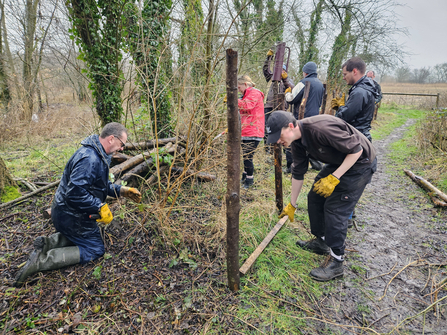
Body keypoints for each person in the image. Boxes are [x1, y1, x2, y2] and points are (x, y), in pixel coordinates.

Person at [14, 122, 142, 287]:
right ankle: (42, 261)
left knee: (89, 235)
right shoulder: (89, 159)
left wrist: (123, 190)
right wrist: (99, 206)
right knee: (96, 249)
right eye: (122, 144)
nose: (122, 149)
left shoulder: (98, 153)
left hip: (70, 212)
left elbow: (99, 185)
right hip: (69, 216)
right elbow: (74, 193)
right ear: (111, 139)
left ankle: (48, 244)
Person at [266, 111, 377, 281]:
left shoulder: (320, 128)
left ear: (290, 126)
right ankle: (322, 241)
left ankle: (337, 262)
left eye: (278, 136)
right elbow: (298, 173)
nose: (278, 142)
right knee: (315, 196)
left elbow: (356, 150)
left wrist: (335, 177)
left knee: (335, 208)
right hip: (340, 161)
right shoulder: (296, 142)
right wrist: (292, 204)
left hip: (360, 163)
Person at [285, 61, 324, 171]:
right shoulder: (320, 84)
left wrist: (287, 94)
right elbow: (319, 102)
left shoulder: (303, 82)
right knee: (310, 140)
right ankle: (316, 163)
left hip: (302, 116)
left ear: (305, 72)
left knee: (294, 140)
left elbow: (292, 99)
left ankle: (291, 166)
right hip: (315, 118)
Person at [331, 57, 378, 142]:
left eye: (345, 74)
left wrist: (340, 107)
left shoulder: (359, 92)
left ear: (354, 71)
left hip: (356, 138)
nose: (344, 78)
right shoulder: (367, 87)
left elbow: (346, 118)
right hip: (362, 136)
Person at [263, 49, 294, 158]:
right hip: (269, 106)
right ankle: (267, 150)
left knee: (282, 129)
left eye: (282, 71)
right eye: (279, 70)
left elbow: (292, 90)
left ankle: (284, 149)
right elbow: (265, 70)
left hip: (281, 108)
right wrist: (268, 58)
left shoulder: (288, 81)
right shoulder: (272, 78)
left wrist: (285, 80)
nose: (280, 72)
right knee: (267, 128)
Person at [238, 75, 265, 189]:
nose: (238, 90)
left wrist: (235, 100)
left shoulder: (254, 93)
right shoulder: (245, 95)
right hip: (246, 129)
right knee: (245, 156)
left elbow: (247, 106)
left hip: (253, 130)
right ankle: (245, 177)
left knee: (248, 157)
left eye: (239, 87)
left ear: (245, 84)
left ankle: (249, 181)